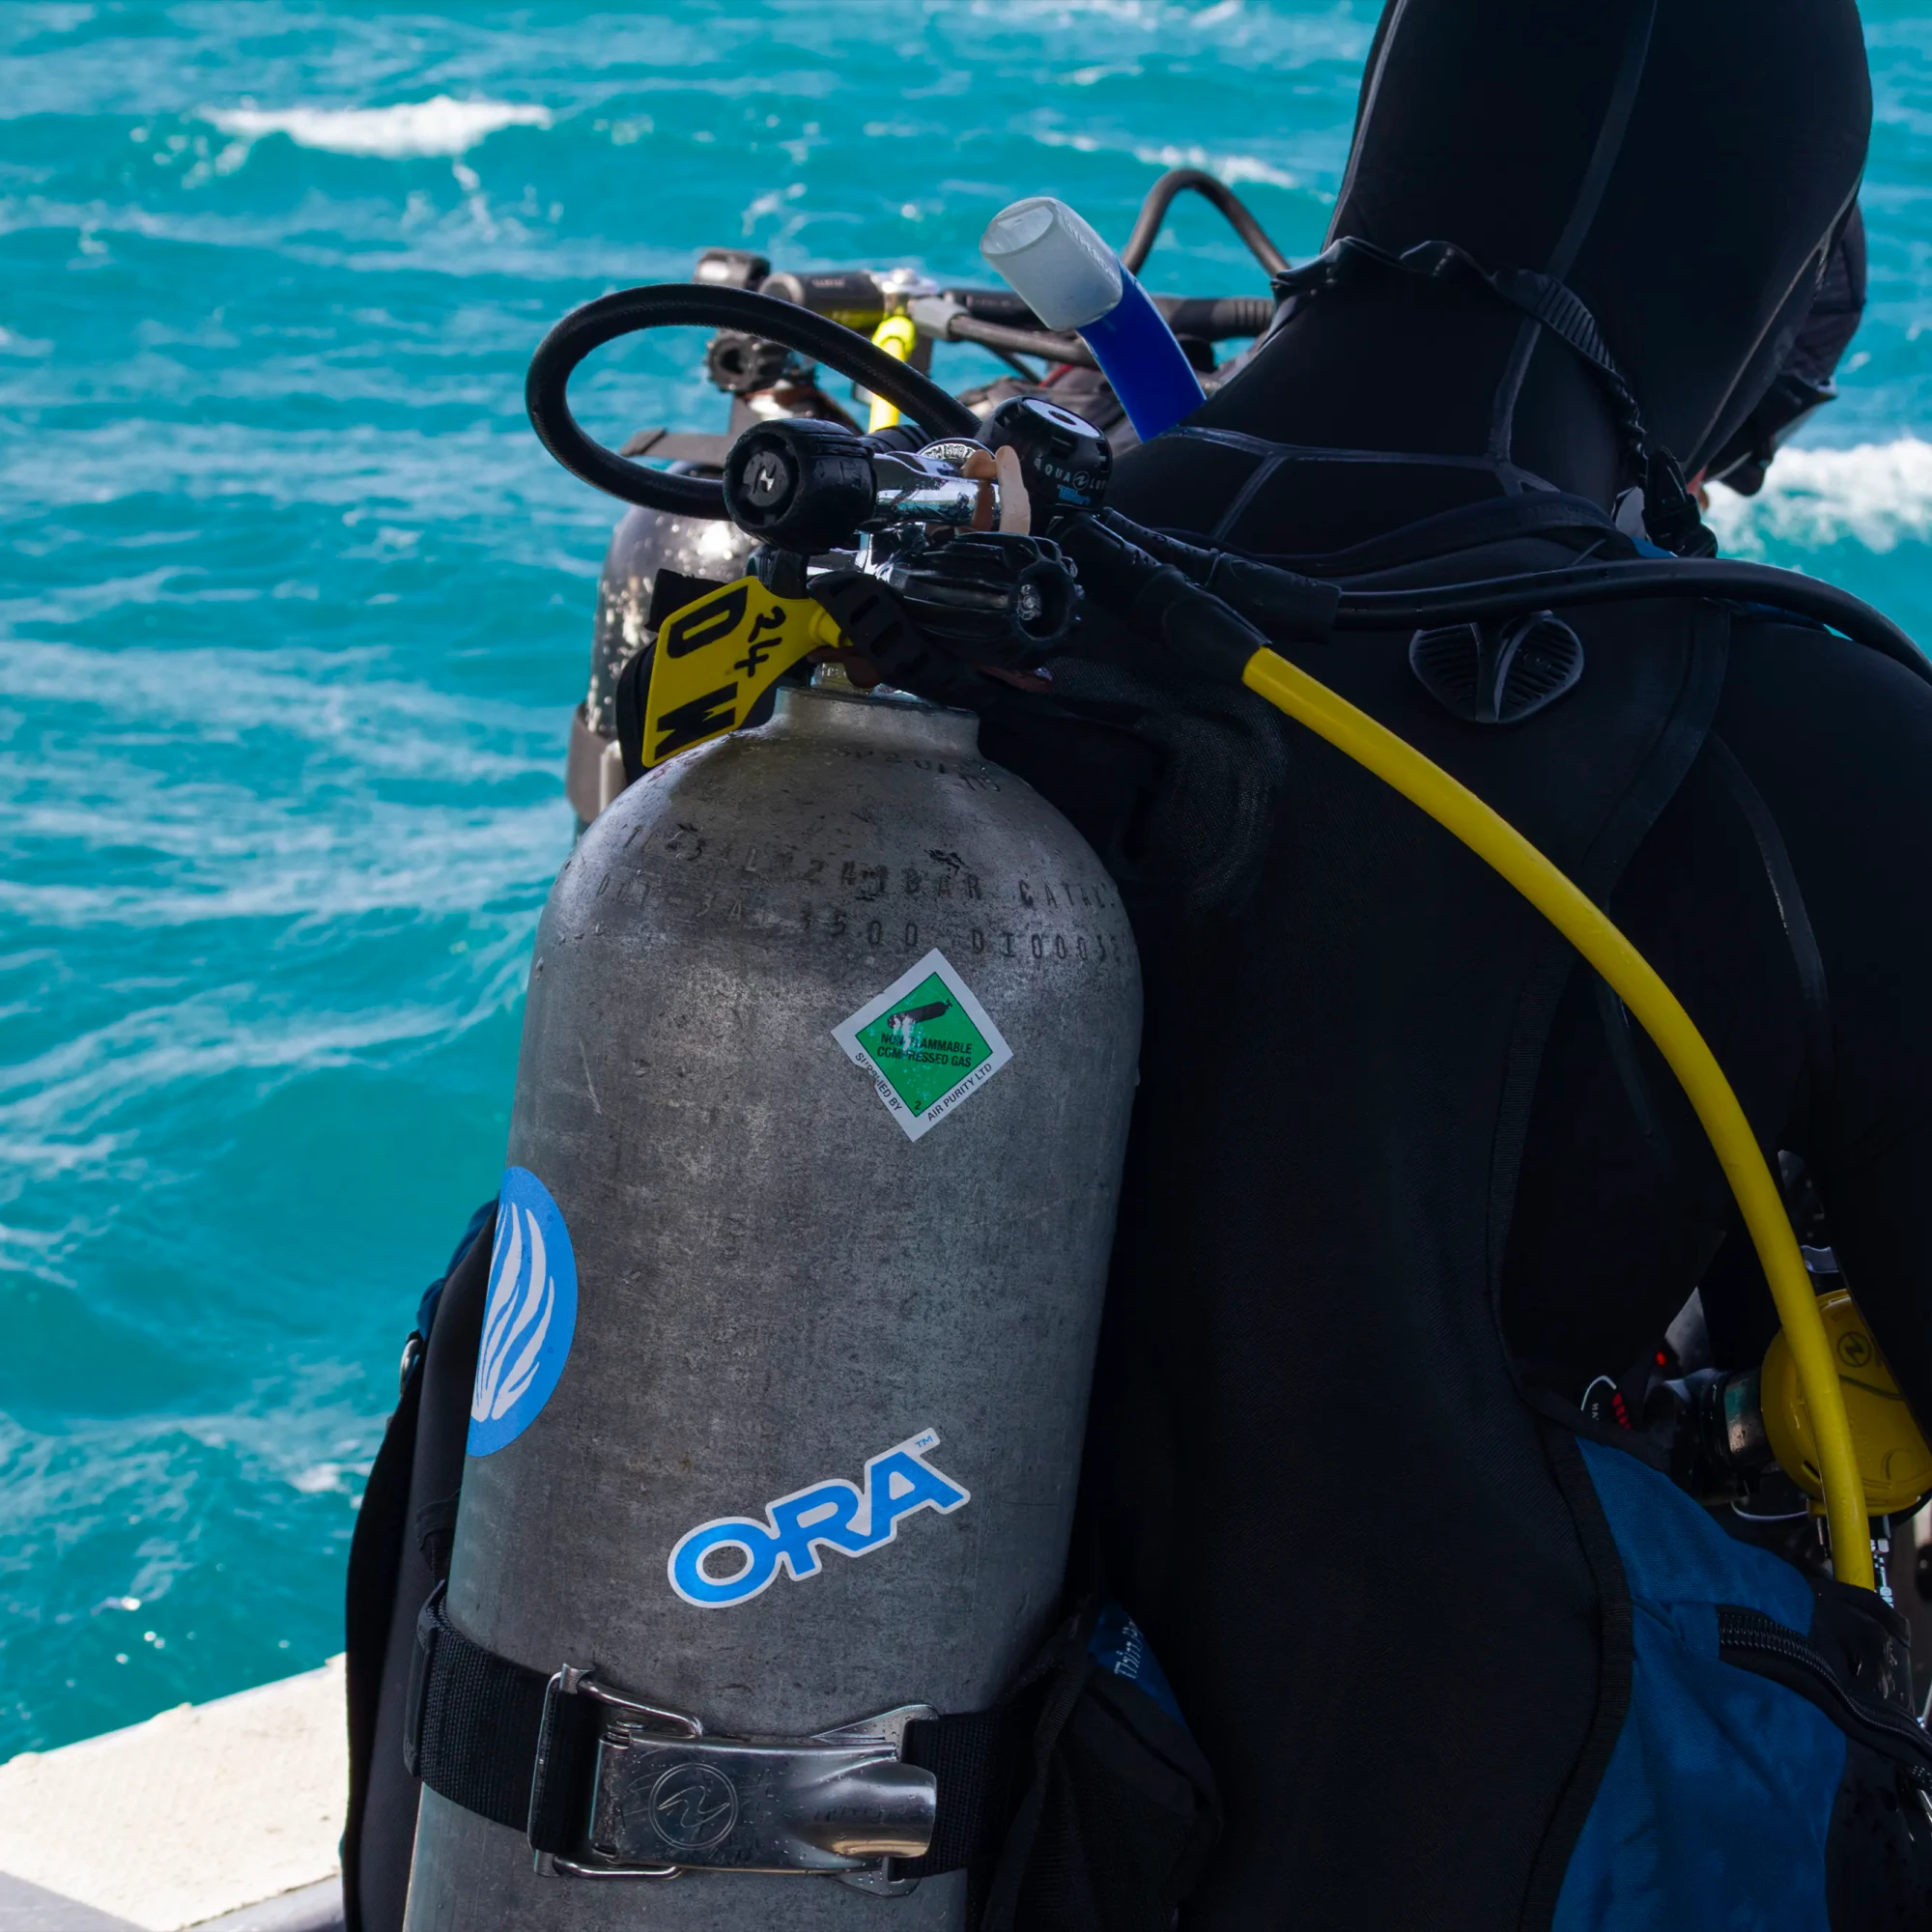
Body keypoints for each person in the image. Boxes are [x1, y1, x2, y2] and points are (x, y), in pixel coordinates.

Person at [954, 0, 1932, 1922]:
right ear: (1763, 270)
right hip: (1437, 1833)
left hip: (914, 1809)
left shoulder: (1003, 581)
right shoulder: (1771, 738)